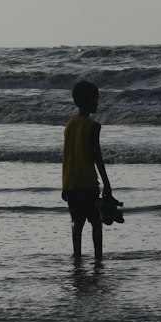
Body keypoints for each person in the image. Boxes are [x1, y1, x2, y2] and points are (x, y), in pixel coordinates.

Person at [61, 80, 114, 261]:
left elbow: (67, 155)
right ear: (89, 101)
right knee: (96, 222)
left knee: (77, 221)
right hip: (87, 182)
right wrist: (107, 184)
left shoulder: (69, 125)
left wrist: (64, 185)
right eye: (96, 100)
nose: (97, 103)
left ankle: (77, 257)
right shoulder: (93, 127)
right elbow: (97, 158)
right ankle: (98, 258)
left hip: (70, 182)